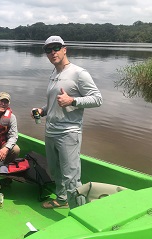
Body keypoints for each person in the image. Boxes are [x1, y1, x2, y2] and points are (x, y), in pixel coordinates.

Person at [32, 36, 103, 209]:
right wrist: (42, 111)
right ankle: (62, 199)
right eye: (48, 50)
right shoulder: (54, 74)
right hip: (50, 131)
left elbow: (97, 99)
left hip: (68, 132)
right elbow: (55, 102)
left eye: (56, 48)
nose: (52, 52)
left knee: (71, 176)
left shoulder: (79, 73)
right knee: (55, 171)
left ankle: (78, 212)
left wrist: (73, 101)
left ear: (65, 49)